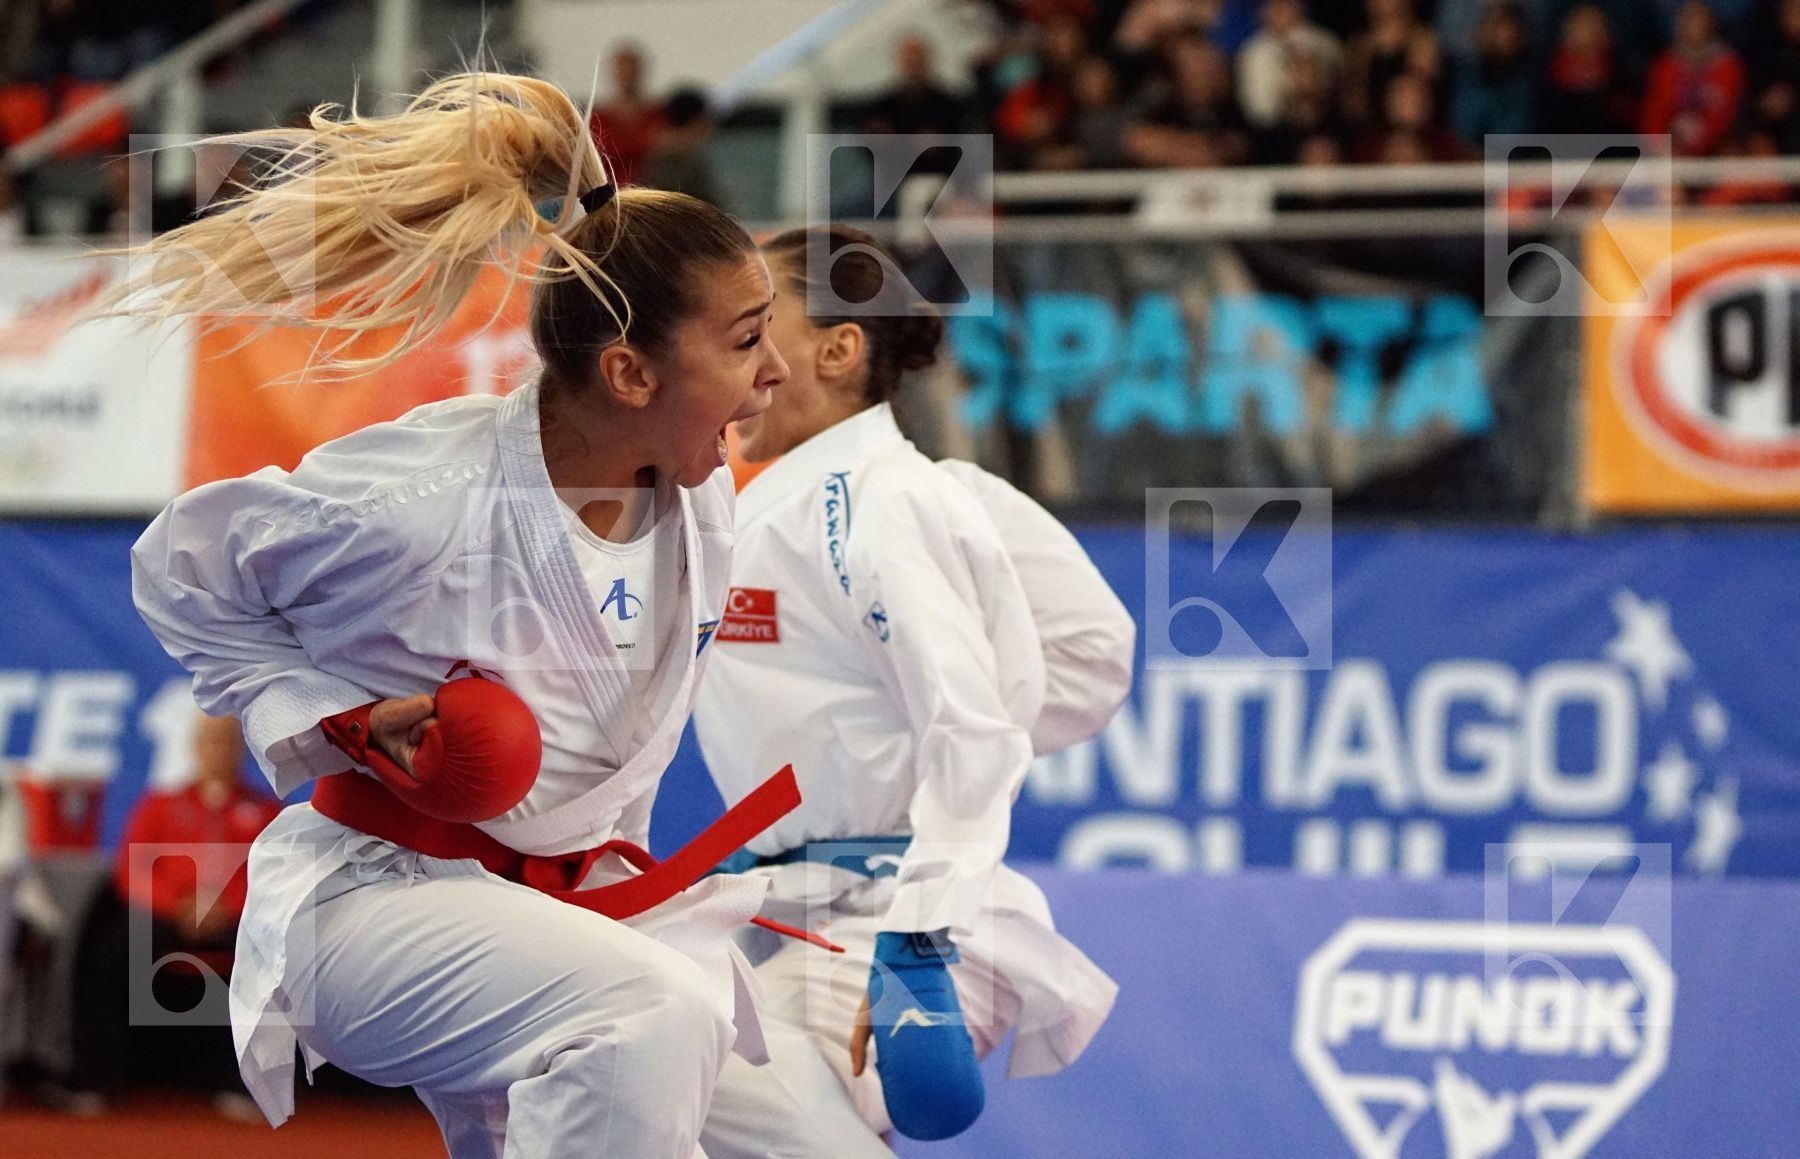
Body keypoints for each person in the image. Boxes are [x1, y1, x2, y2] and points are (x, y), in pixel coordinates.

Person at [114, 72, 795, 1157]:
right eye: (748, 339)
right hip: (379, 903)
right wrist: (337, 715)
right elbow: (181, 571)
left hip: (572, 912)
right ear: (627, 372)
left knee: (809, 1137)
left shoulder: (699, 484)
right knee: (645, 1017)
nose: (777, 372)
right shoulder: (423, 496)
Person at [693, 225, 1127, 1156]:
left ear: (838, 349)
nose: (731, 355)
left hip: (894, 920)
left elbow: (976, 729)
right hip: (784, 906)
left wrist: (920, 934)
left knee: (666, 1057)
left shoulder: (887, 499)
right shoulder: (748, 502)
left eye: (757, 325)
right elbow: (1088, 653)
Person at [66, 714, 277, 1118]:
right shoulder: (161, 806)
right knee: (116, 946)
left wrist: (226, 908)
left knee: (273, 952)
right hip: (167, 917)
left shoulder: (265, 812)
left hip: (236, 920)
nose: (218, 750)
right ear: (195, 749)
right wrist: (178, 905)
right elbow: (131, 869)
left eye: (226, 742)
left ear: (241, 751)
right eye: (210, 742)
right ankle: (97, 1078)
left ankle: (249, 1085)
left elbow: (274, 872)